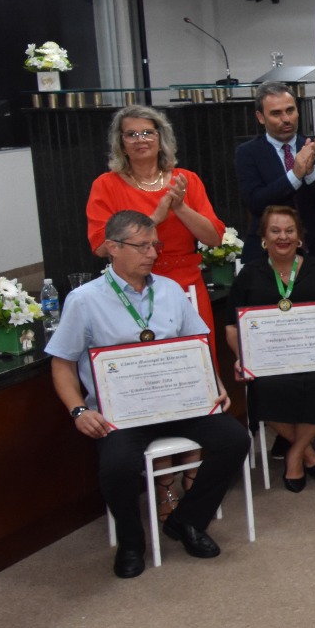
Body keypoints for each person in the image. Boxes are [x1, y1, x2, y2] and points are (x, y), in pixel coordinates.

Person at [47, 210, 251, 579]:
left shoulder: (170, 290)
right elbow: (61, 364)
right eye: (141, 246)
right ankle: (130, 541)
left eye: (154, 245)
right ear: (112, 247)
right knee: (117, 466)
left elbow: (199, 344)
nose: (152, 254)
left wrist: (217, 385)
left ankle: (187, 521)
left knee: (235, 439)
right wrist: (79, 411)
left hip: (179, 401)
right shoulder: (84, 300)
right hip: (122, 413)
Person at [85, 105, 228, 518]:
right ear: (121, 143)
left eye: (148, 132)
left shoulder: (188, 180)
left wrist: (180, 208)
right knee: (150, 379)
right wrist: (157, 215)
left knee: (195, 378)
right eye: (132, 134)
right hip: (130, 292)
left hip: (184, 288)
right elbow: (100, 245)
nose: (141, 140)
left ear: (161, 138)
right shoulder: (107, 185)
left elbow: (215, 237)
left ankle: (195, 476)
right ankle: (164, 482)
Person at [226, 206, 315, 493]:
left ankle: (294, 453)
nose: (283, 237)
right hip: (268, 361)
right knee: (265, 386)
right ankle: (306, 452)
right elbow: (232, 327)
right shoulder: (249, 276)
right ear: (264, 238)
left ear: (299, 236)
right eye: (275, 231)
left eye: (289, 231)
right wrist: (242, 358)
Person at [233, 82, 315, 262]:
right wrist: (295, 175)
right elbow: (256, 203)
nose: (286, 119)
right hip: (264, 252)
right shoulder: (247, 152)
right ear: (260, 117)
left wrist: (311, 171)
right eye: (276, 113)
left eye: (290, 110)